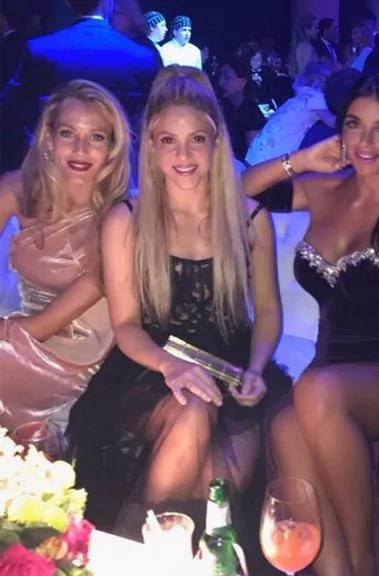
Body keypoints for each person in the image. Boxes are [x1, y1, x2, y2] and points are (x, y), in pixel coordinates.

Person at [242, 70, 379, 576]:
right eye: (355, 124)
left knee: (314, 391)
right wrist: (301, 160)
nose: (365, 141)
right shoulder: (323, 189)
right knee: (285, 426)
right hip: (330, 366)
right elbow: (236, 192)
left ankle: (366, 568)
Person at [67, 66, 291, 537]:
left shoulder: (250, 219)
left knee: (216, 489)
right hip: (150, 368)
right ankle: (150, 558)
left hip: (232, 370)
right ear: (151, 145)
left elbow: (269, 311)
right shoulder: (126, 219)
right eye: (168, 140)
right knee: (192, 412)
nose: (183, 155)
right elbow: (127, 325)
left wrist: (256, 367)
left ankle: (152, 554)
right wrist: (171, 367)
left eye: (196, 140)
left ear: (216, 142)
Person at [0, 79, 131, 431]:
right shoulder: (16, 188)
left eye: (96, 137)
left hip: (77, 356)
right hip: (23, 334)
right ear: (48, 139)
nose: (81, 149)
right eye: (68, 134)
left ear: (112, 149)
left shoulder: (120, 219)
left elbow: (42, 327)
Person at [0, 0, 161, 166]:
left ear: (68, 3)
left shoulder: (39, 50)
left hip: (55, 166)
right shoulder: (143, 57)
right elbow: (158, 115)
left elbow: (9, 107)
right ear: (108, 3)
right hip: (121, 166)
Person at [245, 61, 336, 166]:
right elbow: (332, 122)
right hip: (273, 154)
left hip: (258, 150)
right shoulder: (315, 97)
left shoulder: (300, 96)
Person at [219, 54, 266, 162]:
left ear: (243, 82)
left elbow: (253, 156)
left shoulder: (250, 113)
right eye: (220, 77)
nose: (220, 83)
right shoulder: (227, 109)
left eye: (227, 78)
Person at [290, 13, 319, 78]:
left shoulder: (305, 45)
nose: (318, 31)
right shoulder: (305, 47)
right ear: (306, 30)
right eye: (315, 28)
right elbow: (307, 72)